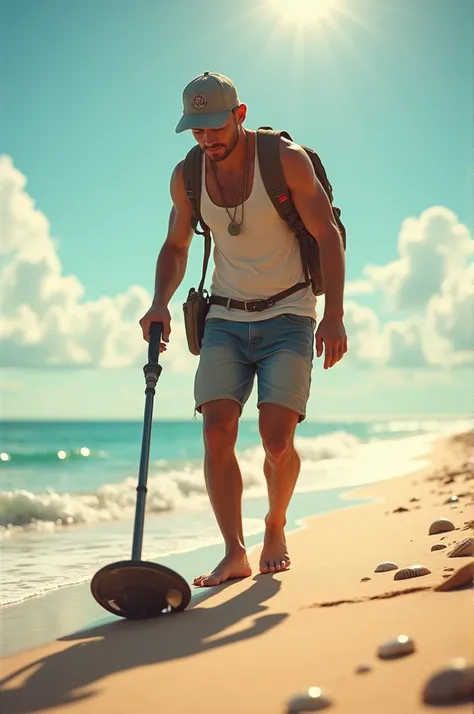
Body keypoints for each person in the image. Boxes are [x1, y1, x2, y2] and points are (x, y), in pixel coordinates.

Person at [139, 72, 347, 587]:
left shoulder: (285, 161)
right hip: (226, 319)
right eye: (196, 130)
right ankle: (233, 552)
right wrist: (159, 301)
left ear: (240, 115)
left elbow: (327, 236)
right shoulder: (187, 175)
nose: (207, 139)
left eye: (215, 126)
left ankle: (275, 524)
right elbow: (176, 246)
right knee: (216, 432)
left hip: (290, 314)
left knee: (277, 441)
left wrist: (335, 315)